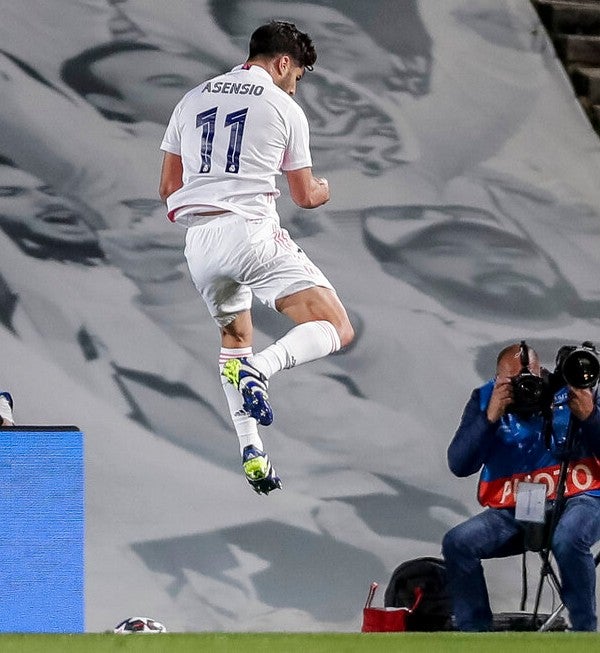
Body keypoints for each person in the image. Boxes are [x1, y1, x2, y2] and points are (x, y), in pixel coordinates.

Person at [159, 20, 354, 495]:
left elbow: (168, 188)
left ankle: (252, 448)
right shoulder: (282, 107)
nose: (296, 85)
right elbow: (305, 196)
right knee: (336, 327)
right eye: (298, 76)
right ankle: (262, 370)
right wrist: (327, 189)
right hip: (249, 232)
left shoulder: (191, 99)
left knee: (234, 339)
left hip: (200, 244)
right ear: (284, 63)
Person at [442, 342, 600, 631]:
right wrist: (488, 419)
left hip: (584, 498)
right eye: (514, 382)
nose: (526, 387)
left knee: (568, 538)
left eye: (531, 379)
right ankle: (474, 635)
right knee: (458, 542)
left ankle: (585, 635)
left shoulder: (576, 389)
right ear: (499, 379)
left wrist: (590, 417)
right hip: (523, 507)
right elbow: (459, 464)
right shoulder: (486, 399)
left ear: (542, 373)